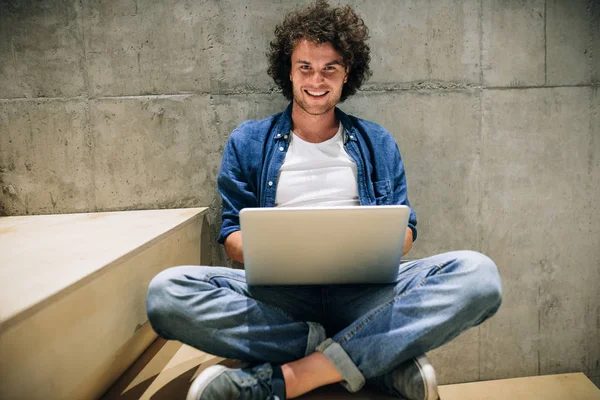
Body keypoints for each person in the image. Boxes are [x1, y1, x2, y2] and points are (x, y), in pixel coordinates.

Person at [146, 1, 502, 399]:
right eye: (305, 67)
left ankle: (286, 379)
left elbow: (405, 234)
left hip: (366, 296)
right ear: (289, 70)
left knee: (479, 277)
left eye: (330, 67)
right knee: (167, 293)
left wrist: (370, 247)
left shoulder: (377, 142)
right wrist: (287, 252)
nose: (317, 79)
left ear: (347, 72)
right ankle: (374, 358)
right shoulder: (247, 142)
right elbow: (232, 237)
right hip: (281, 300)